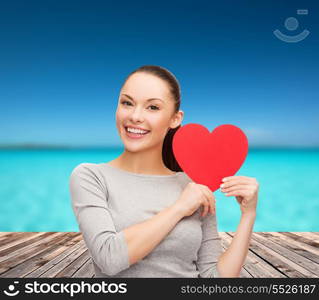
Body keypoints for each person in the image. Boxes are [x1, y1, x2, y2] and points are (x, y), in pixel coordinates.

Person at [69, 65, 259, 278]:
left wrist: (248, 214)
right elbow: (109, 259)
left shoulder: (194, 185)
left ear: (175, 119)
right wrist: (179, 208)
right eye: (127, 103)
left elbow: (214, 278)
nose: (135, 116)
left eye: (152, 107)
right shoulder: (90, 176)